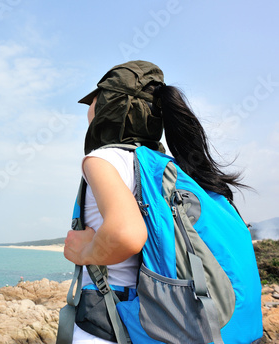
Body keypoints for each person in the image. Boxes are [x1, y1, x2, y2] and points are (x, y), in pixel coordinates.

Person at [63, 60, 246, 343]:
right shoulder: (170, 167)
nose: (88, 109)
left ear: (109, 105)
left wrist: (83, 252)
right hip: (164, 321)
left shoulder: (103, 159)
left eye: (93, 100)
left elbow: (127, 235)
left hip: (111, 322)